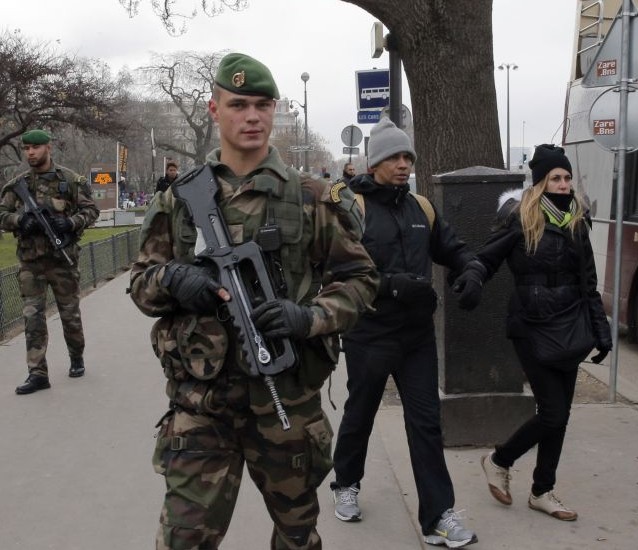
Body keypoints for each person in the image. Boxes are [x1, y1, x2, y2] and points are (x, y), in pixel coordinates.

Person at [128, 52, 379, 550]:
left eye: (263, 105)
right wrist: (175, 279)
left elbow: (361, 280)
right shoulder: (180, 200)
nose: (252, 116)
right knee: (182, 542)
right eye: (238, 104)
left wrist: (309, 317)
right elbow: (141, 284)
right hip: (201, 406)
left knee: (296, 539)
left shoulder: (311, 197)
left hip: (286, 402)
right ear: (213, 109)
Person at [329, 117, 478, 548]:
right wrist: (390, 283)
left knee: (427, 424)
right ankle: (346, 483)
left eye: (408, 157)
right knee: (361, 412)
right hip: (369, 333)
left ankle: (437, 517)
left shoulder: (421, 208)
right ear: (373, 163)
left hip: (415, 338)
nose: (403, 164)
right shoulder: (352, 207)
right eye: (394, 157)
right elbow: (338, 270)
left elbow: (451, 247)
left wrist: (469, 268)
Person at [451, 144, 612, 522]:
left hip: (570, 326)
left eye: (567, 177)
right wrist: (472, 278)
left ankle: (542, 490)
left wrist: (601, 330)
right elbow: (486, 258)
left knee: (561, 414)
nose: (563, 184)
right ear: (540, 183)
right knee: (553, 413)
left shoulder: (576, 221)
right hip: (531, 327)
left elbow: (588, 282)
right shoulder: (521, 218)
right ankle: (498, 460)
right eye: (555, 178)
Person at [0, 129, 99, 395]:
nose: (30, 152)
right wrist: (20, 220)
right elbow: (2, 213)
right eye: (26, 148)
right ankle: (38, 373)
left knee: (70, 315)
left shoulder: (69, 180)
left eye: (36, 147)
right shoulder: (18, 184)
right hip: (31, 263)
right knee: (33, 319)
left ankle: (76, 357)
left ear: (48, 148)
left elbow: (91, 210)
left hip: (62, 261)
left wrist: (69, 222)